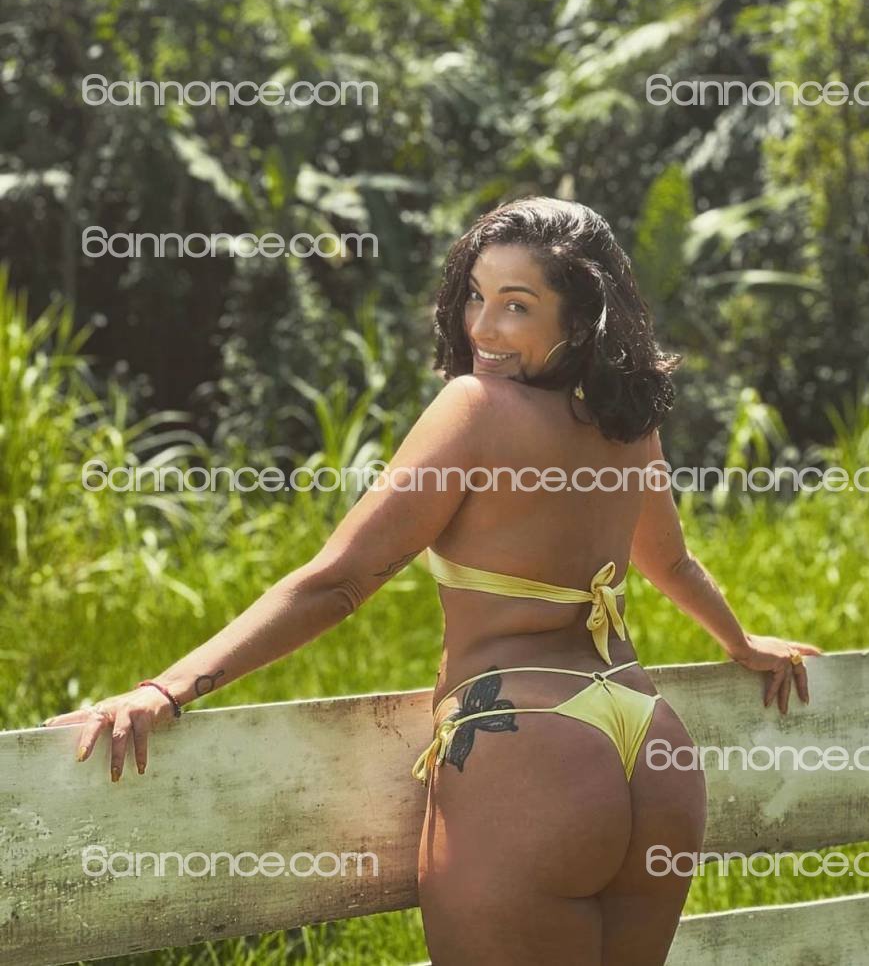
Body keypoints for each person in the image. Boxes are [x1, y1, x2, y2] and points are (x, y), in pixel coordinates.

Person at [42, 197, 821, 965]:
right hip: (652, 753)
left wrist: (168, 689)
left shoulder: (475, 408)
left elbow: (339, 581)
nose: (482, 328)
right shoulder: (628, 427)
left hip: (529, 752)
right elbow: (671, 562)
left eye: (517, 305)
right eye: (476, 295)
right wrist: (739, 642)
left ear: (583, 319)